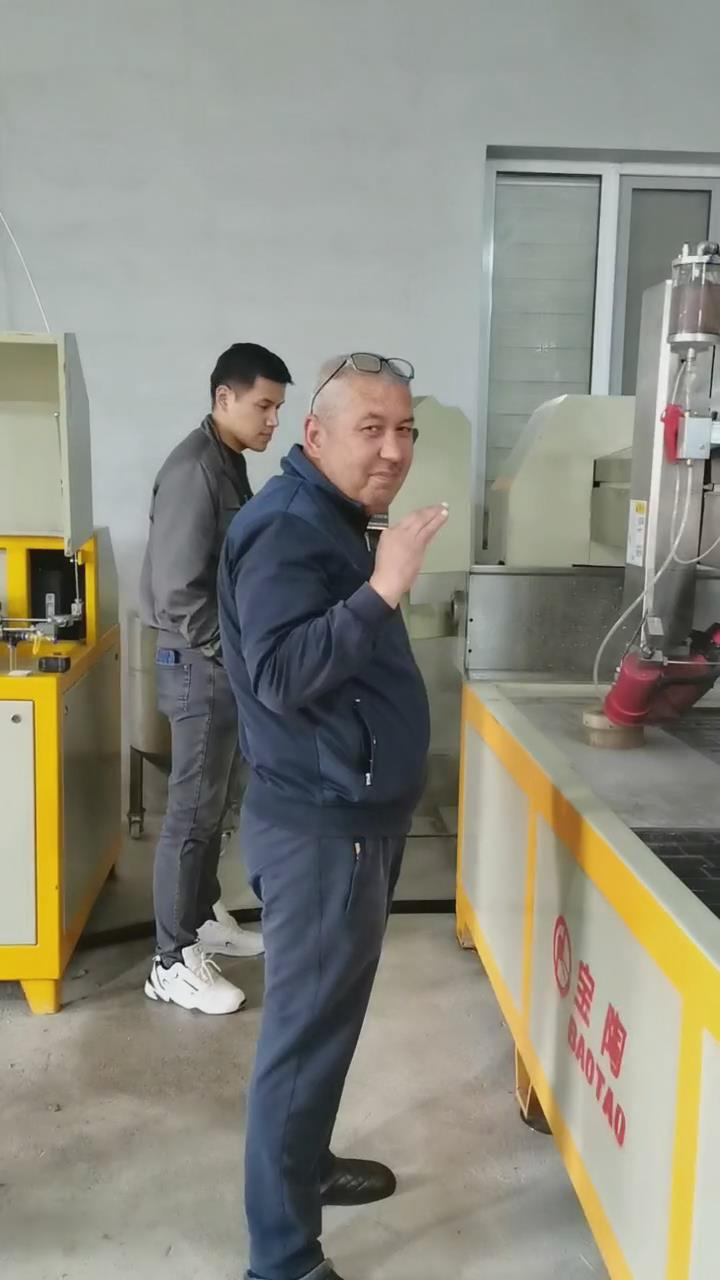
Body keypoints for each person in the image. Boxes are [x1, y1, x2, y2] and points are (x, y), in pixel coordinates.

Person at [218, 352, 448, 1280]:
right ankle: (281, 1259)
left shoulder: (336, 517)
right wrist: (383, 588)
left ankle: (304, 1169)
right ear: (314, 436)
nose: (394, 449)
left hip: (352, 817)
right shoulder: (286, 527)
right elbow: (278, 675)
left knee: (330, 1028)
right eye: (371, 429)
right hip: (320, 830)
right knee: (303, 1041)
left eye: (406, 431)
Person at [140, 342, 293, 1015]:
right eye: (263, 405)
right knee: (191, 813)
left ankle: (200, 918)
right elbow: (178, 591)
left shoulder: (227, 462)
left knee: (214, 802)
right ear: (223, 398)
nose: (272, 421)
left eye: (278, 408)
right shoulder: (194, 470)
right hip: (197, 664)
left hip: (217, 662)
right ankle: (171, 961)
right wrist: (234, 658)